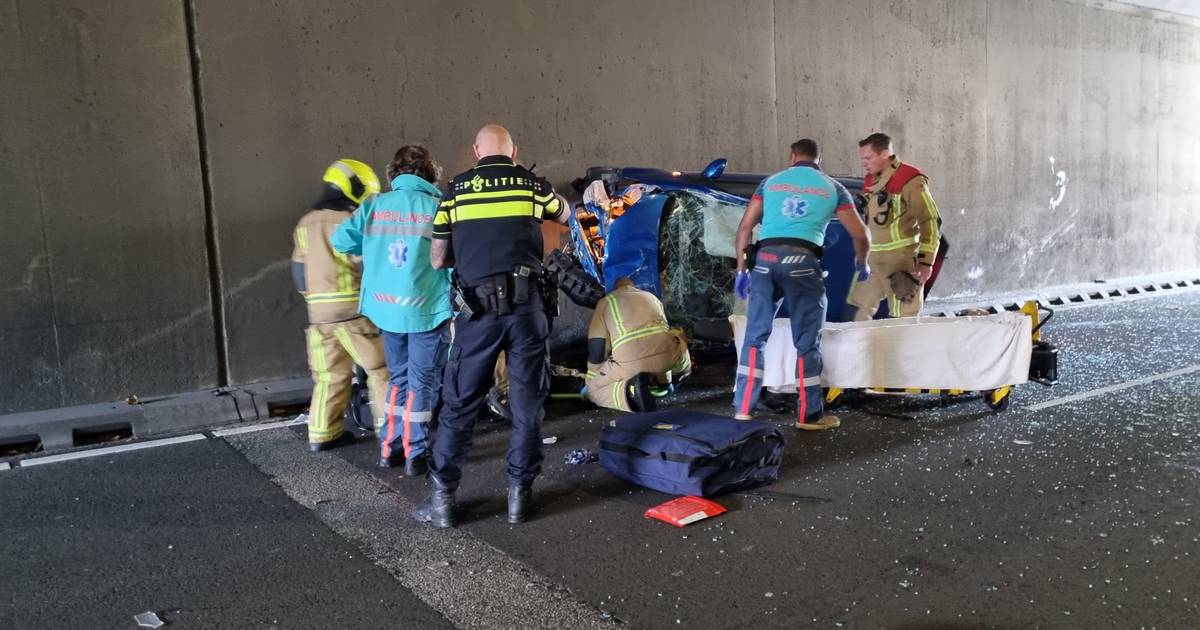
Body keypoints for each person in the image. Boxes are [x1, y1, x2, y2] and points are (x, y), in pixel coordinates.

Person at [414, 124, 568, 528]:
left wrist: (470, 258)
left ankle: (443, 502)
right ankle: (520, 498)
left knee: (459, 404)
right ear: (514, 150)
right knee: (527, 403)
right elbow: (566, 214)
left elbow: (436, 259)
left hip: (476, 314)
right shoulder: (532, 185)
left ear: (476, 151)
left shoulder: (456, 191)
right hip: (528, 310)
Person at [732, 139, 870, 430]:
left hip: (765, 260)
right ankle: (809, 416)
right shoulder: (833, 187)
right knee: (806, 343)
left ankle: (743, 409)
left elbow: (745, 227)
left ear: (792, 156)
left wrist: (742, 270)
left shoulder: (771, 182)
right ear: (819, 160)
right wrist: (862, 262)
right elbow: (860, 234)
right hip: (804, 264)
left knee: (755, 337)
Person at [332, 146, 452, 475]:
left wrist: (370, 246)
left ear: (393, 175)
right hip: (426, 310)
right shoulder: (437, 207)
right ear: (431, 173)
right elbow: (452, 261)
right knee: (422, 382)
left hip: (385, 309)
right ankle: (417, 454)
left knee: (397, 379)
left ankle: (389, 448)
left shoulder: (374, 206)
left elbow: (340, 241)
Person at [291, 159, 390, 451]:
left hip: (319, 316)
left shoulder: (306, 223)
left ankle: (323, 433)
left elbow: (298, 271)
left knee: (329, 376)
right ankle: (390, 434)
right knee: (381, 370)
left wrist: (314, 301)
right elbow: (367, 266)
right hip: (355, 313)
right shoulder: (355, 219)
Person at [844, 132, 942, 321]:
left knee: (903, 320)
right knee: (855, 312)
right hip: (872, 262)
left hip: (901, 263)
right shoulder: (871, 181)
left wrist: (926, 262)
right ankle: (861, 351)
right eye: (862, 158)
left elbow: (930, 220)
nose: (864, 162)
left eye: (868, 157)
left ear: (884, 154)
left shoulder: (910, 179)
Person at [583, 277, 691, 412]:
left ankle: (631, 392)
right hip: (668, 359)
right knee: (672, 343)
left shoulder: (606, 302)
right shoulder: (651, 297)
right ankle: (667, 384)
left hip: (631, 363)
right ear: (634, 286)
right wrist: (665, 381)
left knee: (594, 392)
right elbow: (660, 336)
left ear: (613, 289)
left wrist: (591, 381)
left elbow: (597, 349)